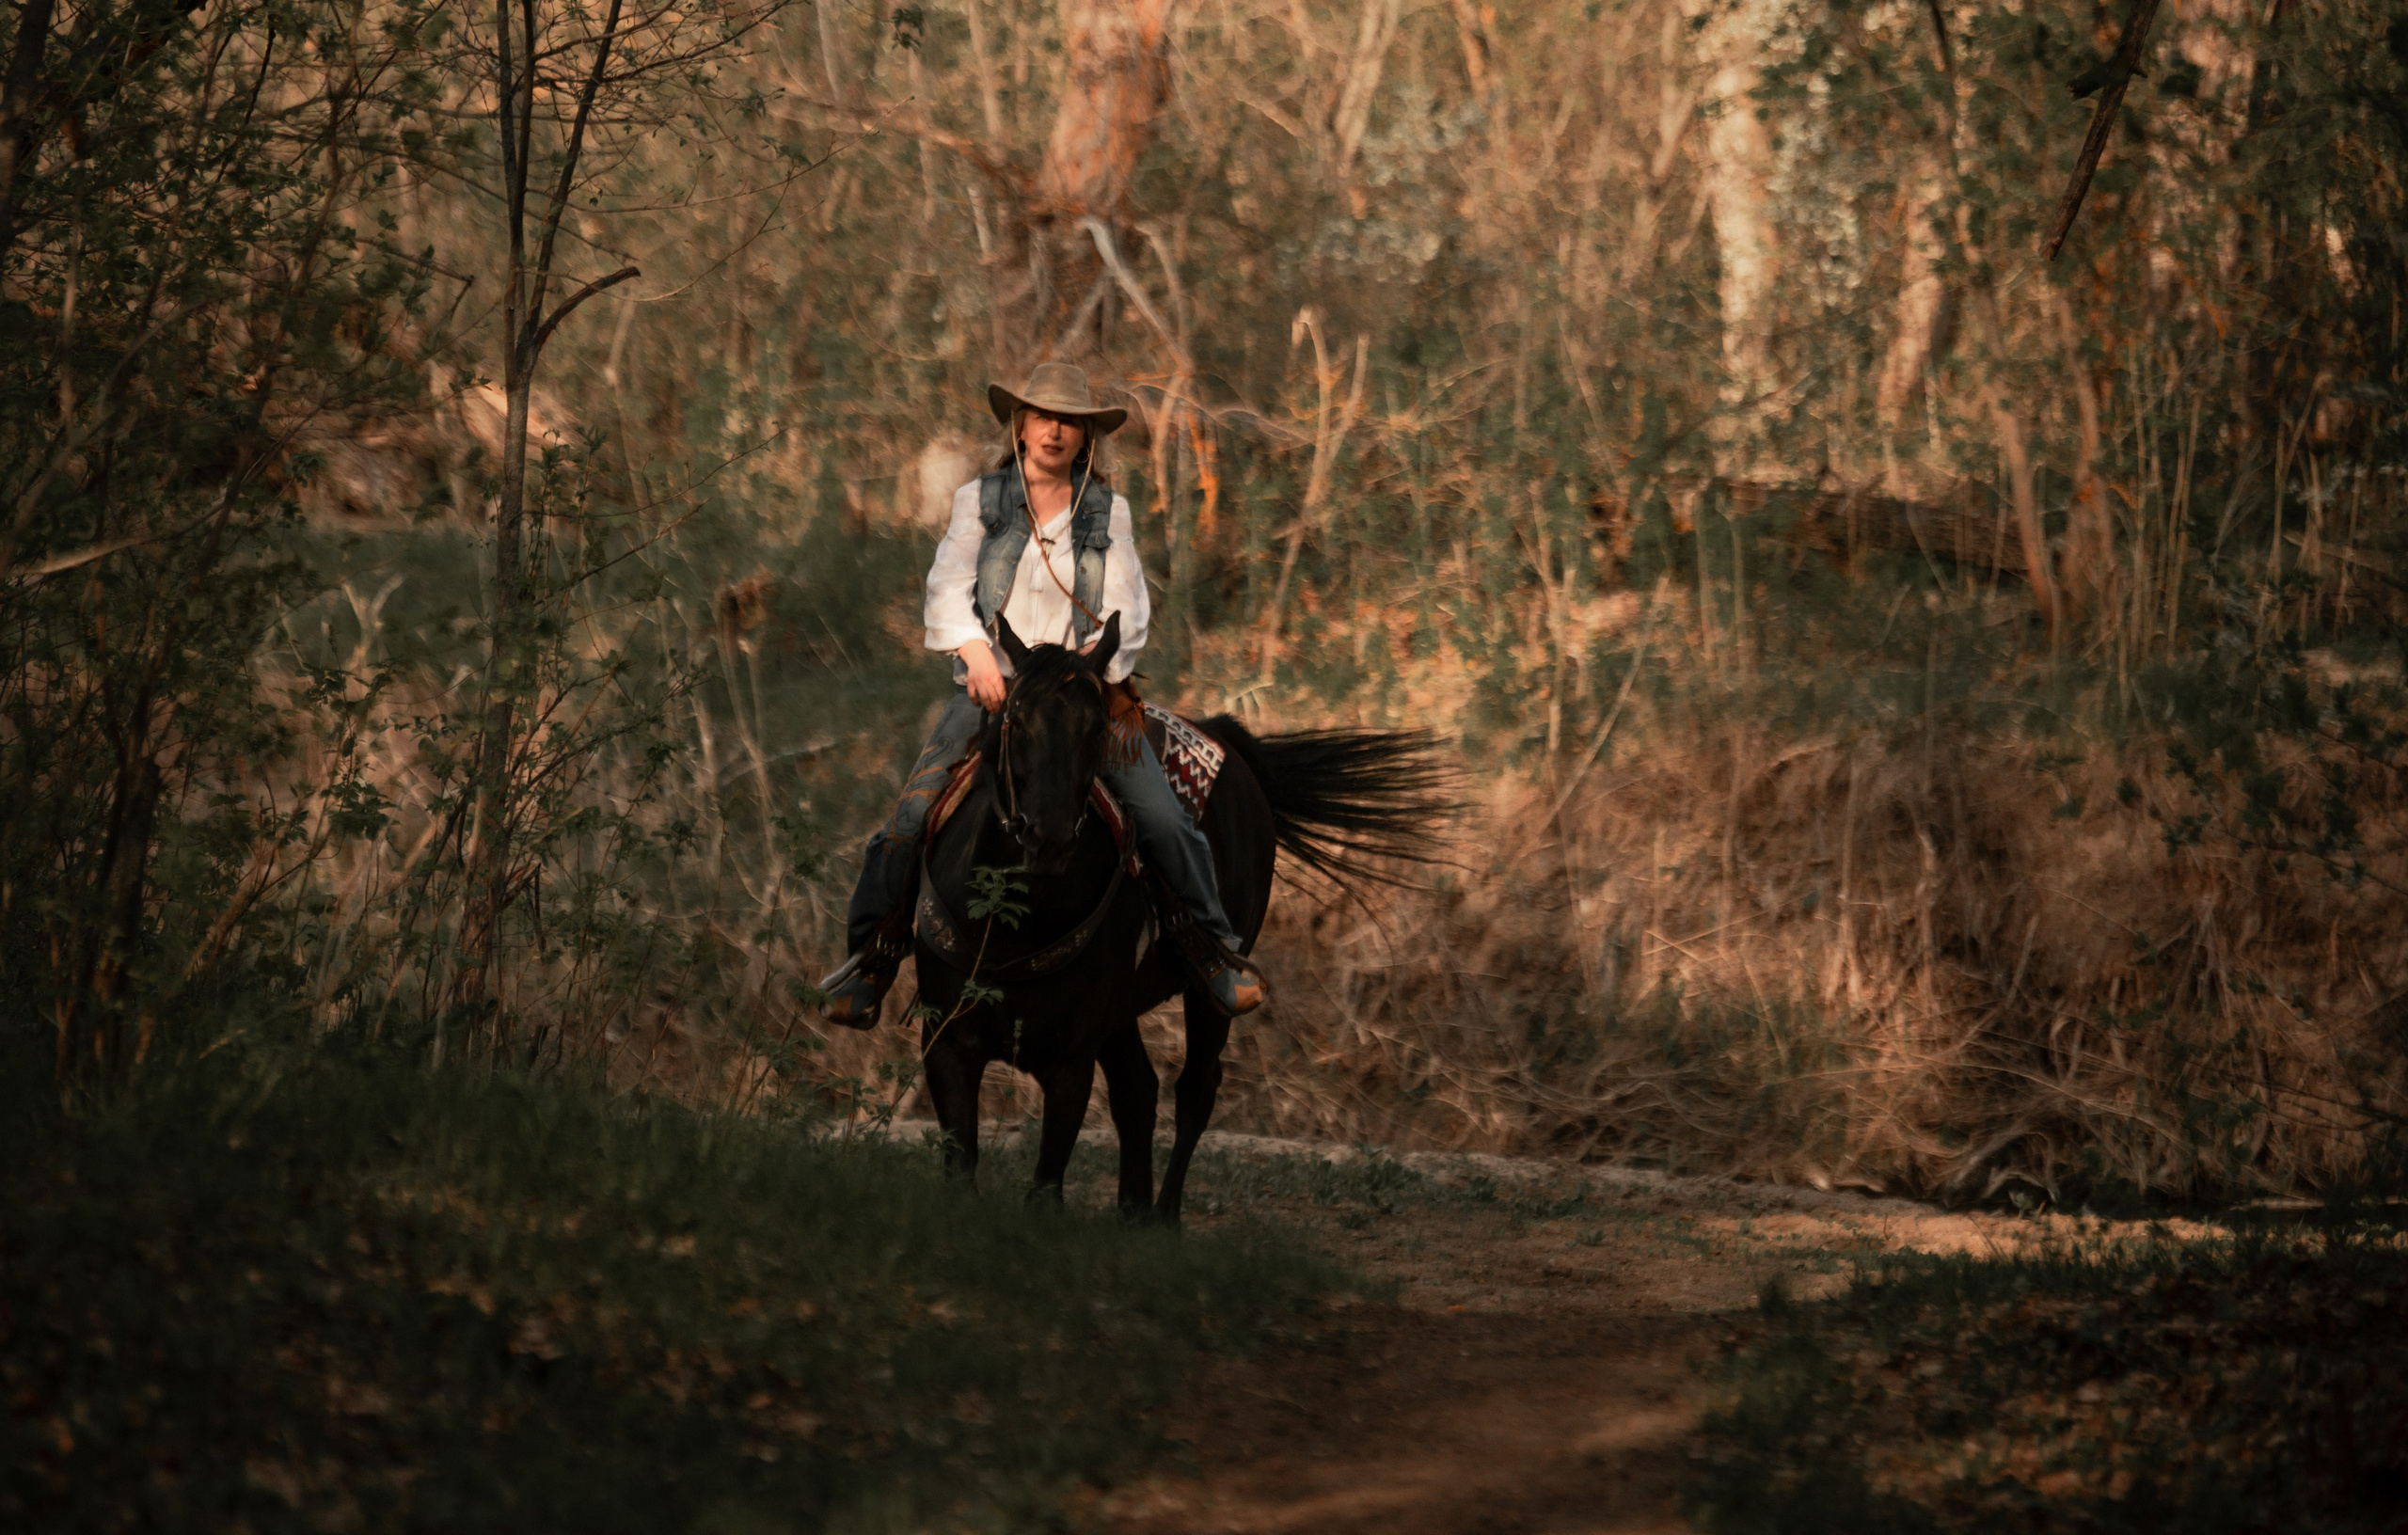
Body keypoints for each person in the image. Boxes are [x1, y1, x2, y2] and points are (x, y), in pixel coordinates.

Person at [817, 363, 1263, 1027]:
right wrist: (974, 653)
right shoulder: (981, 500)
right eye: (1043, 416)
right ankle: (873, 957)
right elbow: (947, 586)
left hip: (1083, 696)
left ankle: (1211, 950)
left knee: (1165, 818)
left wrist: (1093, 667)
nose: (1055, 430)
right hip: (993, 689)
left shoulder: (1108, 511)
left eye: (1070, 421)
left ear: (1086, 437)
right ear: (1020, 426)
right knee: (912, 815)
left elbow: (1127, 607)